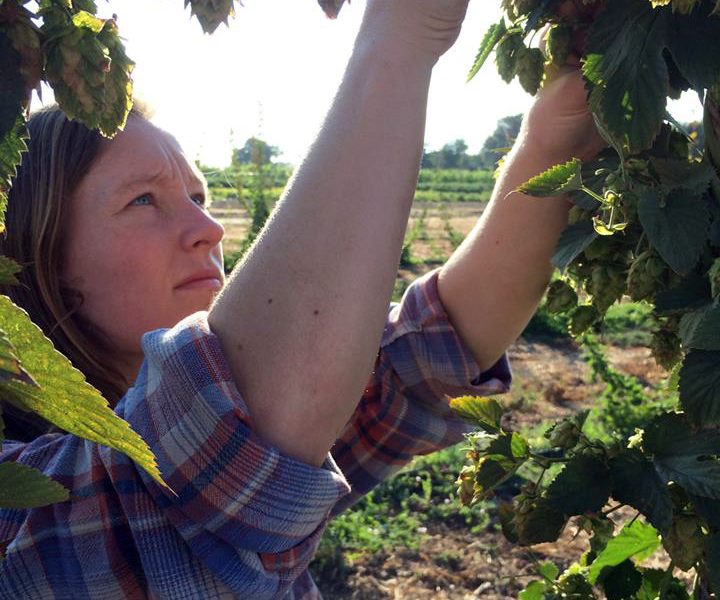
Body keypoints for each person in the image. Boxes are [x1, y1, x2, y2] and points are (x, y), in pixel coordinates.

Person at [0, 0, 605, 598]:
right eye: (143, 201)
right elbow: (197, 473)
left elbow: (420, 360)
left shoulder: (267, 423)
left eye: (199, 196)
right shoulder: (17, 497)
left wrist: (555, 138)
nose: (209, 230)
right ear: (41, 254)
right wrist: (399, 39)